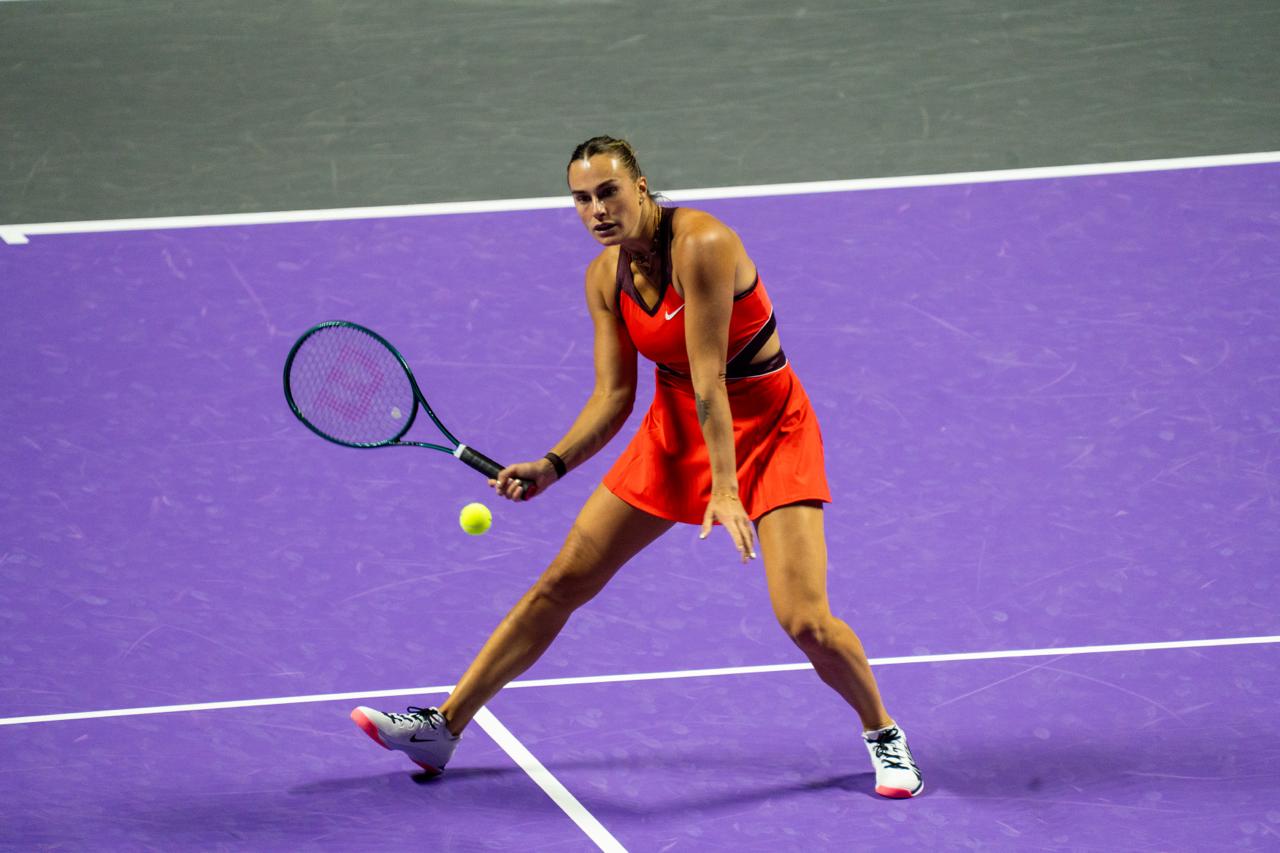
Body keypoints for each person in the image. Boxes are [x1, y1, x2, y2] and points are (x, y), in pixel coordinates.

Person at [351, 136, 923, 799]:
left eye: (608, 192)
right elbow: (615, 395)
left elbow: (711, 378)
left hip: (768, 431)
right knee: (562, 580)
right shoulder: (604, 278)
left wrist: (729, 490)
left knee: (805, 620)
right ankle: (442, 725)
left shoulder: (703, 246)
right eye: (582, 199)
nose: (596, 210)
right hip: (675, 431)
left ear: (642, 188)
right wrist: (553, 464)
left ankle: (882, 730)